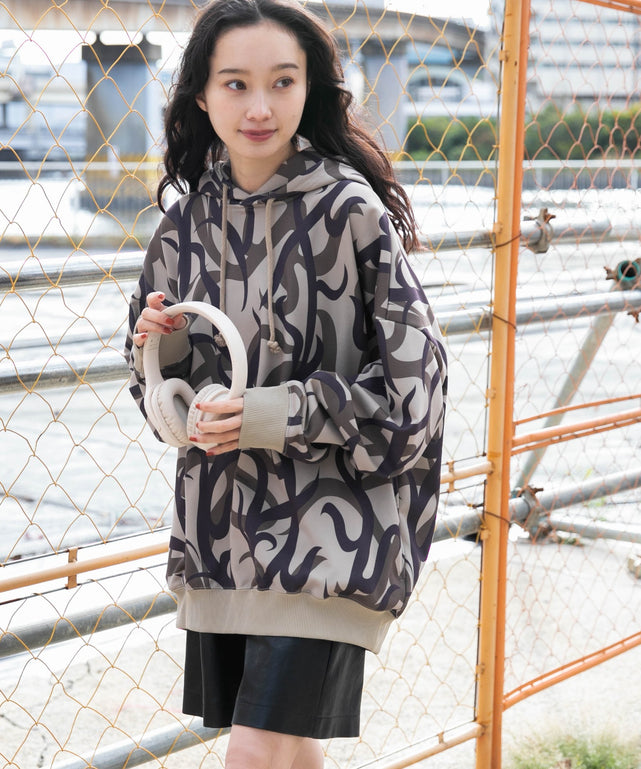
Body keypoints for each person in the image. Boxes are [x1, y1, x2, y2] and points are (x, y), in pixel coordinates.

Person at [125, 0, 447, 766]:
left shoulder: (351, 212)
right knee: (287, 751)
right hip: (222, 540)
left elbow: (416, 396)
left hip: (331, 543)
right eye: (235, 84)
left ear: (311, 89)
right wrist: (165, 360)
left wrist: (271, 413)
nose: (259, 107)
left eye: (281, 81)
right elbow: (160, 402)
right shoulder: (182, 227)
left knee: (253, 752)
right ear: (201, 94)